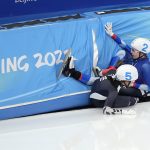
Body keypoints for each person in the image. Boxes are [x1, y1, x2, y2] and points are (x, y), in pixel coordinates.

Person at [62, 56, 138, 115]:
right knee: (132, 100)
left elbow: (102, 73)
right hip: (96, 101)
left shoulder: (113, 72)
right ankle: (71, 72)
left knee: (92, 79)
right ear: (123, 79)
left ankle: (71, 72)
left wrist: (100, 72)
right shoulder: (113, 91)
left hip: (97, 84)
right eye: (131, 81)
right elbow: (106, 110)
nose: (133, 82)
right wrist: (124, 112)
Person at [100, 22, 150, 101]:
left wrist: (133, 84)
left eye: (133, 50)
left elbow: (149, 87)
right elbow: (123, 45)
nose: (131, 52)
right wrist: (111, 34)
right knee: (122, 53)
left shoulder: (146, 66)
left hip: (143, 92)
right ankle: (108, 71)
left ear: (141, 53)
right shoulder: (137, 56)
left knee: (116, 88)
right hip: (129, 83)